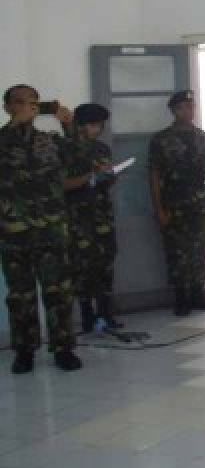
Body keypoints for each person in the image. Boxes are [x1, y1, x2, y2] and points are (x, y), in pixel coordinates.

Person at [0, 85, 83, 372]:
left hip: (51, 229)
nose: (27, 107)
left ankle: (63, 349)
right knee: (20, 295)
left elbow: (77, 160)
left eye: (32, 102)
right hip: (14, 231)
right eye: (19, 102)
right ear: (8, 107)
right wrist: (15, 126)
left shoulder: (48, 141)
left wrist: (68, 125)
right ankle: (24, 351)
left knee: (58, 291)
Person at [149, 90, 205, 316]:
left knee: (201, 248)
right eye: (183, 108)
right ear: (173, 111)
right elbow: (154, 175)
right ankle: (181, 299)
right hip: (174, 204)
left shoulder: (203, 137)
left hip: (199, 203)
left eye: (191, 107)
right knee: (177, 252)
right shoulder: (161, 139)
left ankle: (200, 296)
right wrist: (159, 208)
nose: (188, 112)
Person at [66, 103, 122, 332]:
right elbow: (62, 184)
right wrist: (91, 176)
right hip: (79, 219)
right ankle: (87, 316)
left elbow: (105, 181)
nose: (98, 129)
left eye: (100, 125)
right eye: (94, 125)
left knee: (105, 265)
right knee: (82, 268)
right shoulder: (65, 150)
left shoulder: (101, 149)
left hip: (102, 216)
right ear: (81, 125)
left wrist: (110, 176)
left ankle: (106, 314)